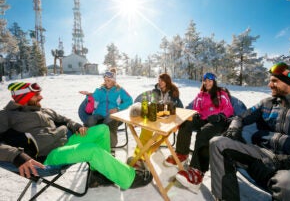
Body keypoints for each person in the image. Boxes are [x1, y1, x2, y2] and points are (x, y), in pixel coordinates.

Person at [0, 82, 152, 189]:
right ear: (24, 99)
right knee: (92, 150)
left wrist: (76, 125)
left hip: (67, 140)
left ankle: (98, 175)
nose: (41, 98)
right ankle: (129, 178)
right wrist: (16, 155)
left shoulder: (43, 110)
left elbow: (64, 119)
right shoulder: (7, 116)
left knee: (103, 130)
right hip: (49, 156)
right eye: (36, 96)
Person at [209, 62, 290, 201]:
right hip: (261, 154)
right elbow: (241, 117)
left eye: (275, 81)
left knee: (289, 186)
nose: (269, 84)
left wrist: (284, 161)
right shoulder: (267, 103)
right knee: (218, 143)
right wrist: (234, 127)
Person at [164, 72, 234, 193]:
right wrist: (193, 114)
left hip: (218, 121)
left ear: (214, 81)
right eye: (205, 80)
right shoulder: (201, 95)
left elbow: (229, 108)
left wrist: (220, 116)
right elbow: (196, 109)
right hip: (204, 119)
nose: (207, 83)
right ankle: (182, 154)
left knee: (204, 132)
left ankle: (197, 172)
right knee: (186, 123)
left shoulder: (221, 93)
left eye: (210, 80)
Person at [128, 73, 183, 166]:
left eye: (162, 80)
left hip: (167, 122)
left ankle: (139, 158)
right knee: (145, 131)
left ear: (167, 81)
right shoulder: (155, 91)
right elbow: (152, 104)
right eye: (159, 80)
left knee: (155, 139)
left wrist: (177, 123)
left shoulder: (173, 92)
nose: (160, 82)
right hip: (155, 118)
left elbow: (180, 108)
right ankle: (139, 157)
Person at [79, 70, 133, 147]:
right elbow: (94, 99)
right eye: (105, 80)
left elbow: (129, 101)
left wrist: (118, 109)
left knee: (108, 122)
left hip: (112, 114)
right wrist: (89, 95)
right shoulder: (99, 90)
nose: (106, 82)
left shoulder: (119, 90)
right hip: (99, 113)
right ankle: (90, 142)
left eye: (109, 80)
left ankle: (110, 145)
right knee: (90, 120)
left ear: (114, 81)